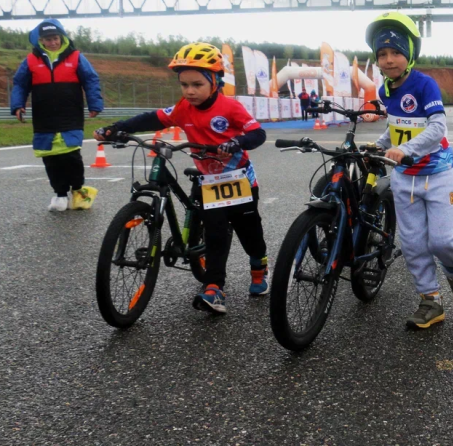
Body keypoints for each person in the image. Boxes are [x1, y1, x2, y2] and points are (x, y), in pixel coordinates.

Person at [95, 43, 269, 314]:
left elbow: (258, 134)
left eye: (197, 84)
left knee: (250, 234)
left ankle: (259, 269)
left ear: (215, 82)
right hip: (210, 182)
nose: (189, 91)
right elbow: (152, 118)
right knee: (215, 234)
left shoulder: (230, 107)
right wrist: (117, 127)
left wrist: (236, 142)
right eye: (184, 85)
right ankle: (214, 288)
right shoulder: (183, 107)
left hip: (238, 180)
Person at [366, 12, 453, 329]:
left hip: (439, 175)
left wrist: (405, 150)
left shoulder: (425, 84)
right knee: (413, 245)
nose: (388, 60)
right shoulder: (385, 90)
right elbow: (397, 126)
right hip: (405, 180)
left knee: (444, 242)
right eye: (382, 54)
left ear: (410, 53)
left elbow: (436, 127)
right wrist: (379, 145)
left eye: (396, 52)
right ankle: (431, 301)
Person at [11, 19, 104, 211]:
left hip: (70, 114)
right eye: (48, 39)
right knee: (50, 157)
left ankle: (78, 189)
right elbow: (20, 84)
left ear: (61, 38)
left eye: (55, 38)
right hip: (44, 117)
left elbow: (91, 80)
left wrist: (94, 103)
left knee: (71, 155)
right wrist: (17, 105)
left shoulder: (76, 57)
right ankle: (60, 194)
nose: (52, 42)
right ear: (41, 41)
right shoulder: (30, 60)